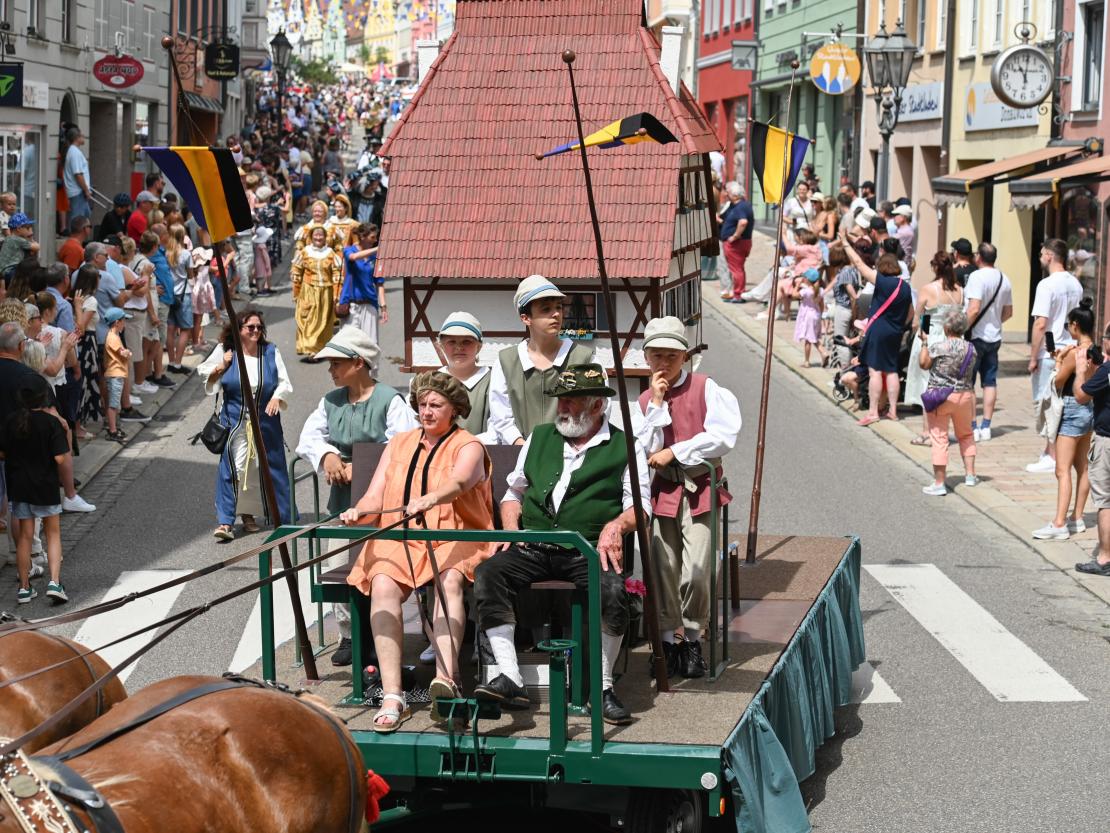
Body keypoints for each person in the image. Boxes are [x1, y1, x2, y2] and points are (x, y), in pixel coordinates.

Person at [472, 364, 649, 725]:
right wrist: (511, 529)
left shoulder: (625, 446)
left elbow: (640, 507)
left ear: (597, 406)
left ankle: (601, 688)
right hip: (535, 546)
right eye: (559, 401)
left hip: (584, 550)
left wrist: (616, 525)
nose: (561, 409)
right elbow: (513, 492)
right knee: (488, 573)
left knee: (613, 591)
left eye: (570, 402)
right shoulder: (539, 437)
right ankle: (510, 678)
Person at [340, 371, 494, 732]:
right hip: (402, 535)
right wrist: (358, 512)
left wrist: (429, 499)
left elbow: (459, 482)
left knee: (449, 581)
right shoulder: (399, 443)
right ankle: (394, 694)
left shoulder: (468, 444)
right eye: (422, 404)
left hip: (456, 535)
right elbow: (376, 497)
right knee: (381, 584)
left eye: (435, 405)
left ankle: (445, 681)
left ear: (454, 410)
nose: (426, 411)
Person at [296, 326, 417, 665]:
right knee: (339, 564)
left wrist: (361, 466)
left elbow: (402, 444)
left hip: (383, 501)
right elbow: (309, 436)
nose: (331, 370)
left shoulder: (390, 401)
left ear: (359, 363)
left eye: (336, 363)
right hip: (344, 502)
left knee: (380, 569)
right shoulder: (330, 402)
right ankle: (348, 634)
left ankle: (381, 635)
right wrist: (327, 456)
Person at [636, 319, 740, 678]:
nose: (663, 363)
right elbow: (647, 447)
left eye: (671, 355)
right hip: (664, 488)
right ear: (647, 357)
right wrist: (658, 403)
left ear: (684, 356)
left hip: (700, 487)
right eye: (656, 355)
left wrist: (677, 451)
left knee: (698, 568)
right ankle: (666, 643)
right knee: (662, 567)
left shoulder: (706, 388)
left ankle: (693, 638)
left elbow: (723, 436)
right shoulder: (646, 399)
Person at [197, 309, 293, 541]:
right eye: (250, 327)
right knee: (234, 468)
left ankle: (273, 516)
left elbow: (284, 381)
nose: (256, 331)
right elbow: (207, 377)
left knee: (264, 469)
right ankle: (225, 521)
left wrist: (277, 397)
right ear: (239, 329)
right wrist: (221, 367)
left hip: (265, 422)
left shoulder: (270, 351)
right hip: (235, 421)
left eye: (259, 327)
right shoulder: (226, 351)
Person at [488, 275, 594, 445]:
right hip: (520, 457)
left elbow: (597, 410)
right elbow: (501, 417)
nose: (556, 314)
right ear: (525, 318)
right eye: (546, 309)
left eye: (559, 307)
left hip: (573, 456)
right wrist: (520, 445)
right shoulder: (505, 361)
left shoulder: (584, 358)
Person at [0, 375, 69, 604]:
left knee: (25, 539)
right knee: (52, 534)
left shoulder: (11, 421)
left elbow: (2, 453)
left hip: (19, 485)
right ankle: (55, 582)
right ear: (44, 397)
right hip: (45, 485)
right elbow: (60, 458)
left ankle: (24, 587)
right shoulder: (51, 423)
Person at [1032, 301, 1097, 540]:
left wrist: (1059, 362)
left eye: (1070, 325)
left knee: (1062, 470)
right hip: (1089, 408)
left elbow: (1058, 382)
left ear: (1076, 325)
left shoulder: (1073, 353)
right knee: (1083, 467)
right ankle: (1077, 517)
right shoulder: (1096, 350)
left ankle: (1059, 523)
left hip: (1071, 409)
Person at [842, 234, 913, 425]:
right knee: (891, 371)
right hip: (895, 332)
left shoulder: (881, 281)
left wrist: (845, 244)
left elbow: (858, 264)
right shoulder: (905, 287)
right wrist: (898, 325)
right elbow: (910, 313)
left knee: (874, 372)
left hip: (878, 330)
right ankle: (892, 411)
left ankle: (873, 412)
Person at [1028, 239, 1084, 473]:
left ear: (1050, 255)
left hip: (1051, 351)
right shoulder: (1076, 284)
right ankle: (1053, 451)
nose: (1040, 257)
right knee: (1063, 402)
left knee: (1047, 402)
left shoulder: (1046, 285)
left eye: (1042, 253)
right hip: (1071, 349)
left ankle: (1051, 455)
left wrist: (1032, 357)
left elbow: (1041, 323)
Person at [904, 252, 964, 444]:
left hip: (931, 339)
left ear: (935, 267)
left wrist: (921, 330)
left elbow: (918, 319)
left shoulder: (928, 289)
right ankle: (942, 430)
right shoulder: (959, 291)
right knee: (946, 384)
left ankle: (927, 431)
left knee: (926, 384)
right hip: (953, 339)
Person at [918, 311, 978, 496]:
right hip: (964, 395)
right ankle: (970, 475)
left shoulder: (939, 347)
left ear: (946, 327)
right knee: (966, 434)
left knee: (939, 437)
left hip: (941, 396)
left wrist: (925, 342)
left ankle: (939, 483)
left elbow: (923, 363)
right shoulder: (971, 348)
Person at [964, 243, 1013, 442]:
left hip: (976, 335)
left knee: (969, 383)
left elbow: (974, 309)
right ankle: (986, 425)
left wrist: (963, 327)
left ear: (979, 257)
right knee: (990, 382)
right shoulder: (1004, 278)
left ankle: (973, 426)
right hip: (995, 336)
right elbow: (1009, 312)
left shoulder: (977, 277)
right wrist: (994, 321)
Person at [1073, 327, 1110, 575]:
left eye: (1105, 337)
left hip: (1107, 441)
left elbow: (1080, 396)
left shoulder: (1107, 372)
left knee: (1105, 500)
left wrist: (1080, 372)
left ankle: (1105, 558)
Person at [432, 312, 495, 442]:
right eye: (451, 342)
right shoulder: (430, 382)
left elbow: (497, 429)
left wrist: (464, 447)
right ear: (441, 345)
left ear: (479, 346)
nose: (459, 347)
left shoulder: (494, 381)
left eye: (466, 341)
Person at [291, 224, 343, 357]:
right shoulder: (305, 252)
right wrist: (296, 291)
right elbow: (296, 271)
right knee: (306, 318)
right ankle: (308, 347)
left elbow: (337, 273)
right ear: (311, 237)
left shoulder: (330, 253)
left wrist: (337, 293)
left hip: (326, 291)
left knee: (323, 322)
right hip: (308, 290)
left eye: (321, 235)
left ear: (325, 237)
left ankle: (317, 348)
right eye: (316, 235)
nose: (318, 237)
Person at [340, 223, 386, 344]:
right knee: (349, 343)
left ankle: (370, 364)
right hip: (351, 305)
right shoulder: (349, 250)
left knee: (370, 343)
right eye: (372, 237)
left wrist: (383, 307)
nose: (375, 240)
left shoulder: (376, 257)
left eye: (376, 237)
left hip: (370, 304)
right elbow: (353, 257)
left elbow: (379, 283)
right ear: (362, 236)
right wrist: (377, 249)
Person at [72, 264, 102, 438]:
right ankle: (78, 426)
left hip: (80, 344)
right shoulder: (90, 301)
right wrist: (78, 307)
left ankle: (79, 423)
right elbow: (81, 328)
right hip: (86, 343)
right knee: (83, 382)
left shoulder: (74, 296)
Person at [163, 224, 194, 375]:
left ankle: (170, 360)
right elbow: (190, 275)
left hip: (169, 294)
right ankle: (177, 363)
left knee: (170, 329)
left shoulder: (165, 253)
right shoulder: (186, 254)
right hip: (183, 294)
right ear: (182, 236)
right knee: (185, 329)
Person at [829, 241, 865, 368]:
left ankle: (845, 369)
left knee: (841, 342)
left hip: (844, 309)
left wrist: (854, 314)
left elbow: (853, 295)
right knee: (846, 340)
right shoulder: (852, 270)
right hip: (848, 309)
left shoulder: (845, 272)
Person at [718, 182, 753, 302]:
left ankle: (738, 294)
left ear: (734, 194)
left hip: (736, 244)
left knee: (736, 269)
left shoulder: (741, 206)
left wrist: (735, 236)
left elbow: (743, 222)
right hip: (740, 242)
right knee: (739, 268)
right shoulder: (738, 205)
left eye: (728, 192)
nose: (726, 194)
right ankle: (739, 292)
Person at [101, 307, 132, 443]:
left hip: (117, 374)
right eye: (123, 321)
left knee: (115, 404)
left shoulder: (114, 335)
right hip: (115, 374)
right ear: (116, 322)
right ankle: (112, 430)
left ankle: (115, 427)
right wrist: (128, 352)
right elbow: (121, 352)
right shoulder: (113, 337)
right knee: (113, 405)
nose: (124, 323)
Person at [791, 268, 827, 367]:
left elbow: (793, 295)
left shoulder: (806, 291)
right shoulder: (820, 290)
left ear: (807, 279)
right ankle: (823, 353)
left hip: (808, 316)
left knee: (808, 339)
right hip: (816, 314)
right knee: (813, 337)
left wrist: (797, 285)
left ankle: (807, 361)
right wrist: (821, 315)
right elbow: (822, 304)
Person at [62, 128, 92, 220]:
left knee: (85, 217)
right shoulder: (75, 152)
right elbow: (78, 174)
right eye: (82, 135)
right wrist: (86, 190)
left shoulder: (73, 151)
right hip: (78, 192)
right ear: (77, 138)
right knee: (78, 222)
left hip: (78, 192)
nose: (84, 137)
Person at [0, 214, 39, 279]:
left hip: (5, 273)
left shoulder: (9, 238)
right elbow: (37, 247)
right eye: (28, 228)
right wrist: (31, 236)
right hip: (10, 272)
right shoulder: (17, 239)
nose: (29, 230)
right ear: (18, 229)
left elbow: (32, 252)